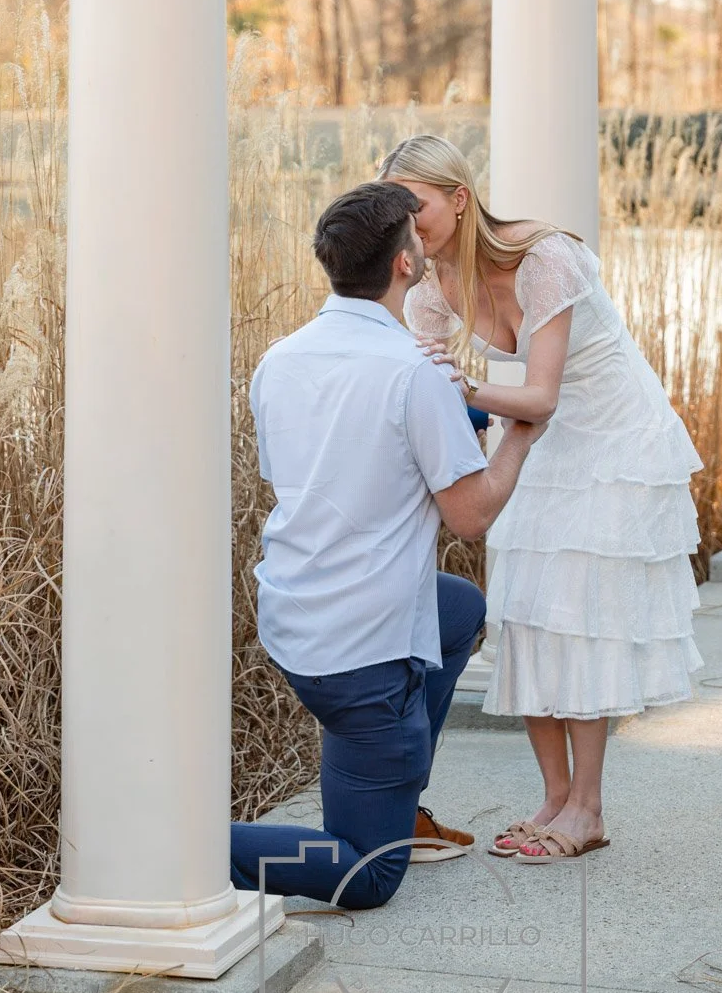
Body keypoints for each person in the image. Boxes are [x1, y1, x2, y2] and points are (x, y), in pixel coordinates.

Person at [380, 136, 703, 864]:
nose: (407, 221)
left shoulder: (545, 257)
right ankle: (552, 797)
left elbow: (543, 395)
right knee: (526, 611)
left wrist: (458, 387)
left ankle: (587, 808)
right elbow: (418, 380)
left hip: (611, 440)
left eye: (417, 204)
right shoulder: (426, 287)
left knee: (583, 616)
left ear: (459, 198)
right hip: (526, 440)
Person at [230, 181, 545, 909]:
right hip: (360, 654)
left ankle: (396, 797)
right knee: (365, 875)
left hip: (295, 615)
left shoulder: (281, 358)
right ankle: (180, 847)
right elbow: (470, 517)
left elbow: (304, 475)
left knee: (459, 606)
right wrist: (518, 440)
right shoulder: (414, 372)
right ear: (406, 264)